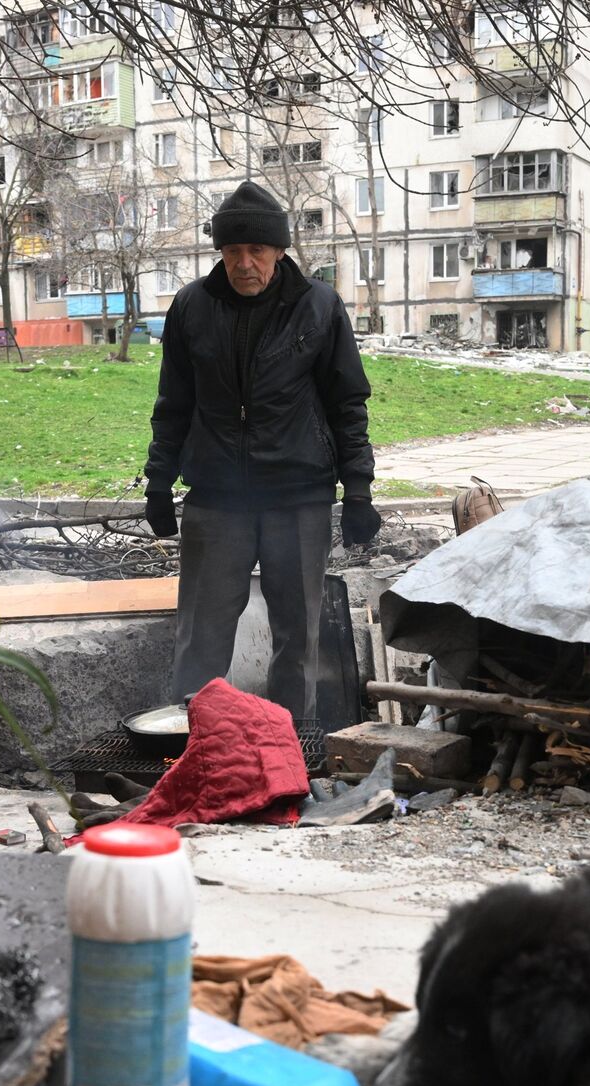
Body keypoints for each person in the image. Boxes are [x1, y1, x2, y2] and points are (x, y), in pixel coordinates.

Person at [143, 181, 377, 718]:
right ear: (219, 252)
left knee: (298, 639)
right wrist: (159, 481)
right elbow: (173, 402)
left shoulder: (318, 306)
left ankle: (290, 752)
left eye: (257, 251)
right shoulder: (191, 307)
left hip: (298, 497)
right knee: (201, 635)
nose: (244, 264)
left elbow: (348, 404)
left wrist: (359, 490)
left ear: (279, 251)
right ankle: (196, 746)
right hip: (217, 499)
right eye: (232, 252)